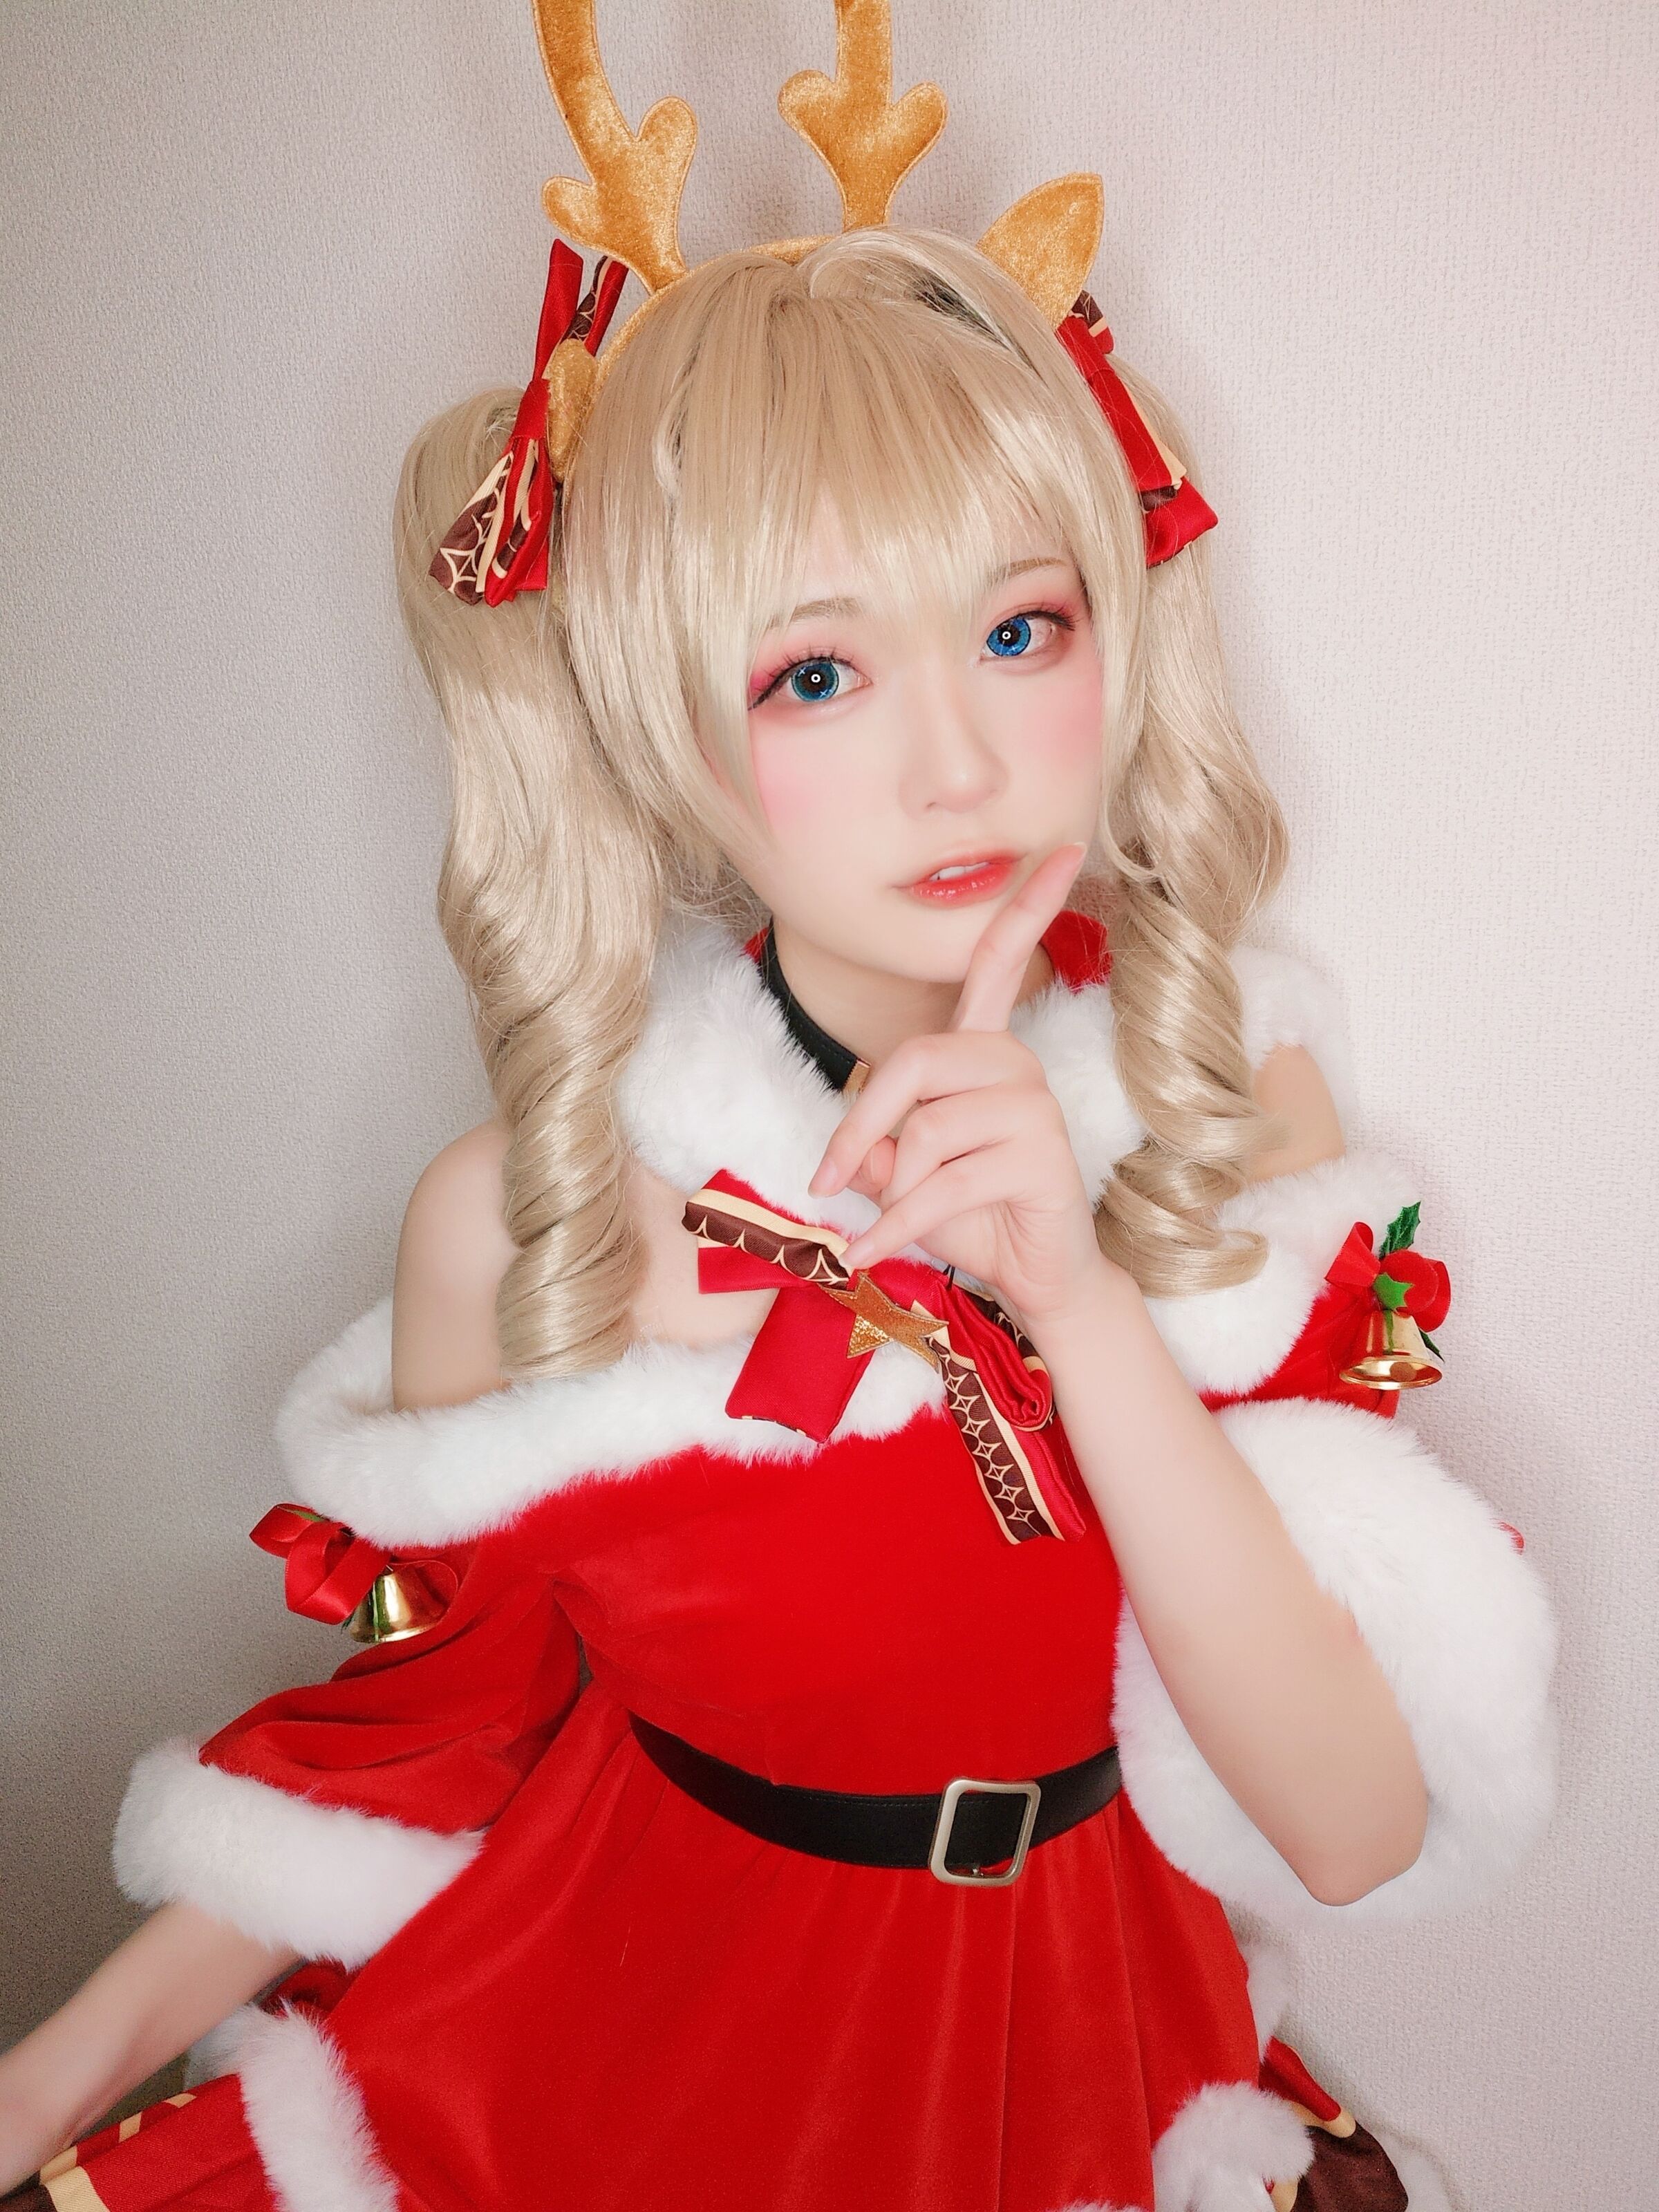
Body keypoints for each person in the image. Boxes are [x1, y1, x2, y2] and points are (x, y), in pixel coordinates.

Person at [0, 6, 1556, 2208]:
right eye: (819, 672)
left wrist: (1077, 1299)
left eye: (1020, 630)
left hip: (1084, 2046)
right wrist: (54, 2071)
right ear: (664, 735)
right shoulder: (523, 1218)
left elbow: (1354, 1829)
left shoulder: (1224, 1111)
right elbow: (430, 1752)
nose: (958, 761)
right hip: (635, 2031)